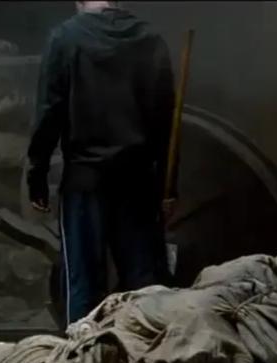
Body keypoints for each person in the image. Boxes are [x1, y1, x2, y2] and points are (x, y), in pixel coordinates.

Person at [25, 1, 176, 324]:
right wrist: (167, 187)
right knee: (148, 291)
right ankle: (152, 354)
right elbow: (167, 125)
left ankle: (84, 354)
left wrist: (37, 175)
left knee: (83, 289)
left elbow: (49, 113)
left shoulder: (65, 39)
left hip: (85, 182)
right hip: (138, 184)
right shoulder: (150, 40)